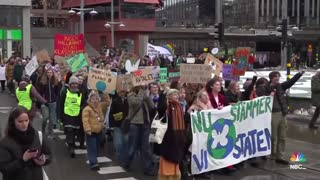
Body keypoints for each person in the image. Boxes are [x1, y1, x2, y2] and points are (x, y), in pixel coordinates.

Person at [0, 106, 52, 180]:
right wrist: (23, 160)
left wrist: (44, 160)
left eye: (26, 120)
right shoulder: (5, 143)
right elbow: (4, 168)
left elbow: (48, 155)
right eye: (20, 121)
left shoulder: (37, 135)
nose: (24, 124)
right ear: (13, 122)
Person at [269, 70, 304, 164]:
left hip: (282, 113)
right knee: (273, 137)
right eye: (275, 76)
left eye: (278, 76)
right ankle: (272, 154)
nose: (277, 78)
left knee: (282, 136)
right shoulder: (267, 88)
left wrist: (299, 74)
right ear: (271, 78)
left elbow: (291, 82)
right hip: (273, 114)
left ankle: (280, 156)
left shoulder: (281, 86)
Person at [123, 85, 155, 176]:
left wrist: (147, 96)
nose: (142, 86)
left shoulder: (144, 94)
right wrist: (141, 92)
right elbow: (135, 103)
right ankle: (127, 163)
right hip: (135, 123)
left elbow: (152, 106)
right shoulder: (130, 94)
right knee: (132, 147)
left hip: (145, 123)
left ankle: (147, 168)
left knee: (146, 148)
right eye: (140, 85)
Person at [158, 89, 187, 180]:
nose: (177, 96)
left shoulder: (179, 106)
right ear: (169, 96)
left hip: (178, 137)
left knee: (177, 158)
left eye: (177, 94)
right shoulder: (167, 105)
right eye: (174, 94)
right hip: (168, 137)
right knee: (168, 158)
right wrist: (163, 93)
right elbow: (160, 109)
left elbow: (184, 120)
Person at [57, 76, 85, 158]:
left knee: (77, 130)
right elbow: (60, 104)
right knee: (70, 131)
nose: (74, 85)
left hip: (77, 116)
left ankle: (79, 143)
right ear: (70, 84)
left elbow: (84, 102)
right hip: (67, 115)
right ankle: (71, 146)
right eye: (73, 83)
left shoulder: (80, 92)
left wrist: (82, 108)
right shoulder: (65, 92)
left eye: (76, 83)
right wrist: (60, 116)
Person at [82, 90, 110, 171]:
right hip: (91, 132)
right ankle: (93, 163)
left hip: (99, 131)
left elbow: (107, 102)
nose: (95, 100)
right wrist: (87, 129)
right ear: (89, 99)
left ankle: (94, 159)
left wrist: (105, 92)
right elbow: (85, 120)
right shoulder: (87, 109)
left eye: (96, 98)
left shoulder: (100, 106)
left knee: (97, 147)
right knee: (92, 147)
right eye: (93, 98)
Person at [38, 67, 60, 139]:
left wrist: (56, 99)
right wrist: (43, 101)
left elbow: (57, 92)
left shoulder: (55, 81)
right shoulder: (43, 82)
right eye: (48, 72)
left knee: (51, 119)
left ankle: (50, 133)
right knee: (45, 117)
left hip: (53, 102)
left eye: (50, 72)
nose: (49, 74)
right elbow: (40, 93)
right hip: (45, 103)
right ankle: (43, 131)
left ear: (53, 73)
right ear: (46, 73)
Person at [109, 90, 129, 162]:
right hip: (118, 124)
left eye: (123, 92)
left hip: (127, 125)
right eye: (121, 92)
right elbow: (111, 113)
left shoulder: (128, 100)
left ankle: (125, 157)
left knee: (126, 141)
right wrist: (111, 125)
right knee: (118, 143)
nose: (122, 93)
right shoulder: (115, 101)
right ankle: (119, 155)